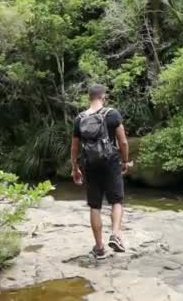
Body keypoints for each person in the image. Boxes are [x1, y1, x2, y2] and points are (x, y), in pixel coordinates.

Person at [71, 84, 130, 260]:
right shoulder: (112, 114)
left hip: (90, 164)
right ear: (103, 97)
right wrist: (125, 161)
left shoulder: (80, 118)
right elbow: (124, 142)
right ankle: (115, 235)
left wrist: (75, 168)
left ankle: (99, 248)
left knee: (95, 205)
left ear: (89, 97)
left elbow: (74, 147)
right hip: (110, 162)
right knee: (117, 200)